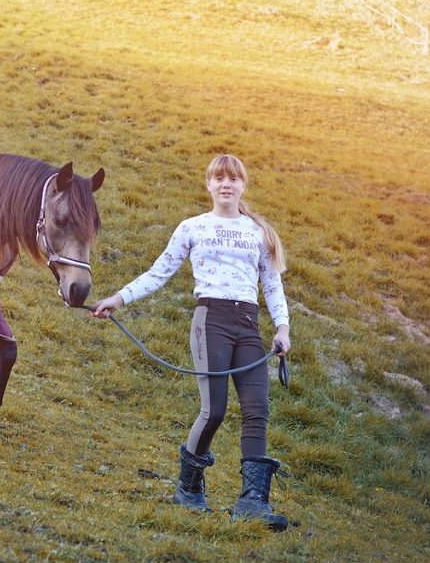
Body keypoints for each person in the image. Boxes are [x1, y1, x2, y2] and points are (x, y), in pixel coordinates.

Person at [91, 154, 291, 531]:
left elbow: (272, 283)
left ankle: (252, 502)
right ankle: (189, 487)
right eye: (219, 178)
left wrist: (282, 328)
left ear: (243, 185)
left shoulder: (257, 232)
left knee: (256, 409)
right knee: (214, 410)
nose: (226, 184)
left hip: (248, 325)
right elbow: (159, 271)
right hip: (210, 321)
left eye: (233, 178)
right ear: (209, 185)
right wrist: (118, 298)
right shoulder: (192, 227)